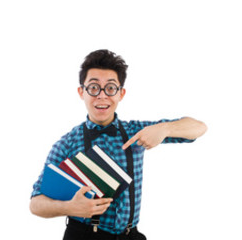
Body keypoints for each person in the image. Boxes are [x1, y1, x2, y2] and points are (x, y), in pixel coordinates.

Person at [28, 49, 207, 240]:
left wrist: (165, 129)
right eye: (94, 88)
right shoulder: (66, 144)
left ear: (121, 93)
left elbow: (199, 128)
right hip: (84, 235)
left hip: (131, 235)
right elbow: (36, 203)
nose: (102, 96)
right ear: (82, 92)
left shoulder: (136, 132)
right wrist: (69, 207)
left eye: (111, 88)